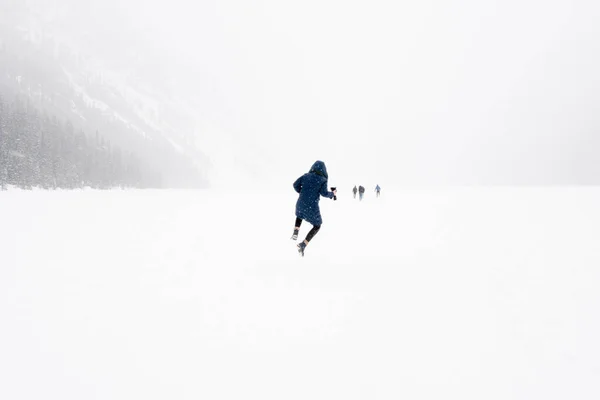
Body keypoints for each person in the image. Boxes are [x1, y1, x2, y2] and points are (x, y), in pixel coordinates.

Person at [291, 161, 337, 257]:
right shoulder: (323, 180)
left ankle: (296, 231)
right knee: (317, 225)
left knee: (299, 215)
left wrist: (303, 192)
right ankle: (303, 245)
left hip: (300, 204)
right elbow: (324, 193)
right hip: (311, 207)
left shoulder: (306, 176)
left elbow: (295, 185)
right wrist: (332, 194)